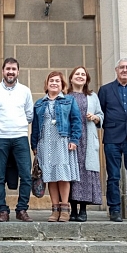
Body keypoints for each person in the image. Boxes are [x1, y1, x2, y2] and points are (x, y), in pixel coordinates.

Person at [98, 58, 127, 222]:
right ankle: (115, 210)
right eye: (121, 67)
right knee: (113, 176)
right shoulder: (105, 90)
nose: (124, 70)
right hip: (112, 137)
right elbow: (101, 112)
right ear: (116, 69)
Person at [31, 71, 82, 222]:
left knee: (63, 175)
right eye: (51, 81)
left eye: (57, 81)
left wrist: (74, 140)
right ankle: (54, 209)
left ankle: (65, 209)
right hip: (44, 142)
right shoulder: (39, 103)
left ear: (62, 85)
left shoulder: (69, 101)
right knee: (50, 176)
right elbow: (35, 126)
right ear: (46, 84)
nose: (54, 83)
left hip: (62, 142)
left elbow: (76, 121)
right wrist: (34, 145)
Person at [0, 57, 34, 222]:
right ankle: (2, 210)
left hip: (20, 137)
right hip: (0, 138)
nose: (10, 72)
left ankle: (22, 209)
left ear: (18, 72)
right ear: (3, 71)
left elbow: (29, 115)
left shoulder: (25, 91)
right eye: (8, 69)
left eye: (13, 69)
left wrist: (17, 125)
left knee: (26, 176)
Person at [67, 66, 104, 222]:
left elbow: (101, 115)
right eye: (77, 74)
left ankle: (83, 209)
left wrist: (95, 117)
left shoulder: (92, 96)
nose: (80, 76)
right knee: (71, 173)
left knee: (85, 173)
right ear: (71, 78)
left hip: (87, 138)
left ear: (87, 79)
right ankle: (72, 209)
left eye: (83, 74)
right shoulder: (65, 95)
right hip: (70, 139)